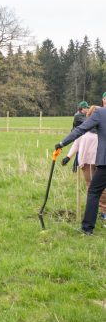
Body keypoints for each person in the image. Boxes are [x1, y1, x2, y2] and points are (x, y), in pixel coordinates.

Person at [55, 95, 106, 235]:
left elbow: (80, 130)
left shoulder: (101, 113)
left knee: (94, 192)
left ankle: (87, 228)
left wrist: (62, 143)